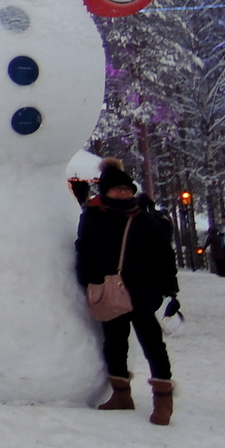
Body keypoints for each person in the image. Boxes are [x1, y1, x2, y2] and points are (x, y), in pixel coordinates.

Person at [76, 159, 179, 425]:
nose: (122, 193)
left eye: (126, 188)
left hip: (142, 290)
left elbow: (164, 255)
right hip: (109, 289)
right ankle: (122, 394)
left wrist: (169, 288)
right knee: (114, 342)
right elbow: (84, 248)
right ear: (105, 191)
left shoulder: (145, 218)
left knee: (152, 344)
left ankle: (163, 400)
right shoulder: (92, 216)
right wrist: (88, 278)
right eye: (116, 189)